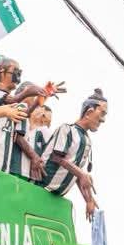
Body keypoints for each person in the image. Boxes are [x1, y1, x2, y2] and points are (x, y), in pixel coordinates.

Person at [40, 89, 106, 220]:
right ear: (89, 112)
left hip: (56, 198)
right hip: (40, 189)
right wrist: (81, 174)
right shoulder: (67, 130)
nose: (103, 120)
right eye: (102, 113)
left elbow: (76, 173)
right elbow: (56, 157)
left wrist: (88, 200)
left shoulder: (86, 141)